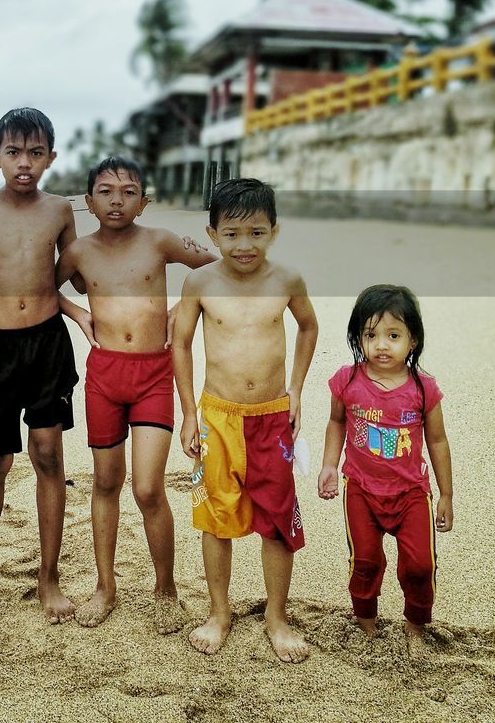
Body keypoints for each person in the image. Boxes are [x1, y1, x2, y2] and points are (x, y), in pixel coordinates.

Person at [0, 107, 94, 625]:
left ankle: (47, 579)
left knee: (48, 455)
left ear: (51, 157)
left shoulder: (60, 211)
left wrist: (84, 306)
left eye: (34, 152)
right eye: (13, 152)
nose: (23, 163)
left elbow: (73, 275)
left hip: (47, 345)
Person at [55, 157, 215, 633]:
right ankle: (106, 587)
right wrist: (76, 312)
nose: (117, 200)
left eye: (128, 191)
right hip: (105, 374)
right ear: (88, 202)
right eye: (105, 191)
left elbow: (211, 263)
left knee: (148, 487)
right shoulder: (80, 252)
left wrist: (182, 311)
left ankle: (165, 589)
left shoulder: (160, 240)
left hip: (152, 374)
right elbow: (42, 287)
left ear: (144, 200)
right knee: (106, 482)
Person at [172, 177, 317, 663]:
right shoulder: (200, 282)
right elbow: (181, 343)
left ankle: (277, 615)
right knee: (215, 516)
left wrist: (295, 389)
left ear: (274, 231)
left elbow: (308, 326)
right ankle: (219, 611)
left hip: (273, 419)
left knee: (277, 520)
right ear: (212, 234)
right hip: (217, 417)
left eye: (256, 232)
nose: (244, 244)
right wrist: (190, 411)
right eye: (231, 233)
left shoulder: (287, 279)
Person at [317, 284, 453, 650]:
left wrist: (446, 494)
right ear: (357, 337)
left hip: (411, 493)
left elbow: (438, 441)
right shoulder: (346, 381)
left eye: (393, 335)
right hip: (360, 488)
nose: (381, 344)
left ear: (412, 340)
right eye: (371, 334)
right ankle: (365, 624)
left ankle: (415, 626)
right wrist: (330, 465)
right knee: (364, 559)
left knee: (420, 565)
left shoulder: (424, 389)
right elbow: (336, 422)